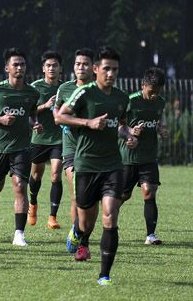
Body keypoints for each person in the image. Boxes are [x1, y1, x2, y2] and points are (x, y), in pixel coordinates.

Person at [59, 46, 140, 286]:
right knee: (86, 222)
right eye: (106, 69)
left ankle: (104, 275)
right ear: (96, 69)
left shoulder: (122, 98)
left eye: (115, 69)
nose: (111, 73)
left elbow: (121, 125)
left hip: (113, 165)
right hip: (86, 165)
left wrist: (128, 135)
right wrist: (88, 122)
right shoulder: (84, 93)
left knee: (109, 217)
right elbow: (60, 116)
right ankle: (78, 231)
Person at [0, 48, 42, 246]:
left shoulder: (32, 93)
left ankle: (19, 234)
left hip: (22, 147)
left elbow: (32, 113)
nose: (20, 67)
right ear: (7, 68)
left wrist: (35, 123)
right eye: (16, 64)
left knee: (20, 186)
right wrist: (0, 119)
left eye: (22, 64)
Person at [53, 47, 94, 260]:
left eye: (85, 64)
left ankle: (79, 232)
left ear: (93, 67)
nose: (81, 67)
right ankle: (79, 238)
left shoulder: (99, 91)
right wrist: (62, 120)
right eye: (78, 64)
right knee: (78, 195)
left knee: (90, 200)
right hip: (71, 149)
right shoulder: (65, 88)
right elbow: (57, 110)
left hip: (94, 151)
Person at [120, 67, 169, 245]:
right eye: (151, 91)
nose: (155, 95)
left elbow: (158, 121)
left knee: (149, 192)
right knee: (123, 196)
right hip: (128, 157)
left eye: (158, 91)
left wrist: (161, 129)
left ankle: (151, 235)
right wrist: (130, 131)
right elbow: (118, 125)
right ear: (143, 86)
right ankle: (108, 218)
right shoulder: (130, 101)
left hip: (149, 156)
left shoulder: (160, 102)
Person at [27, 51, 64, 229]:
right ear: (43, 68)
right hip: (39, 138)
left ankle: (52, 217)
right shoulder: (35, 87)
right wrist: (45, 106)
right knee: (36, 175)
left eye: (55, 65)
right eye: (48, 65)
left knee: (56, 174)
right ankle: (33, 204)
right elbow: (28, 111)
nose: (51, 68)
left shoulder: (65, 88)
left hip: (59, 139)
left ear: (60, 68)